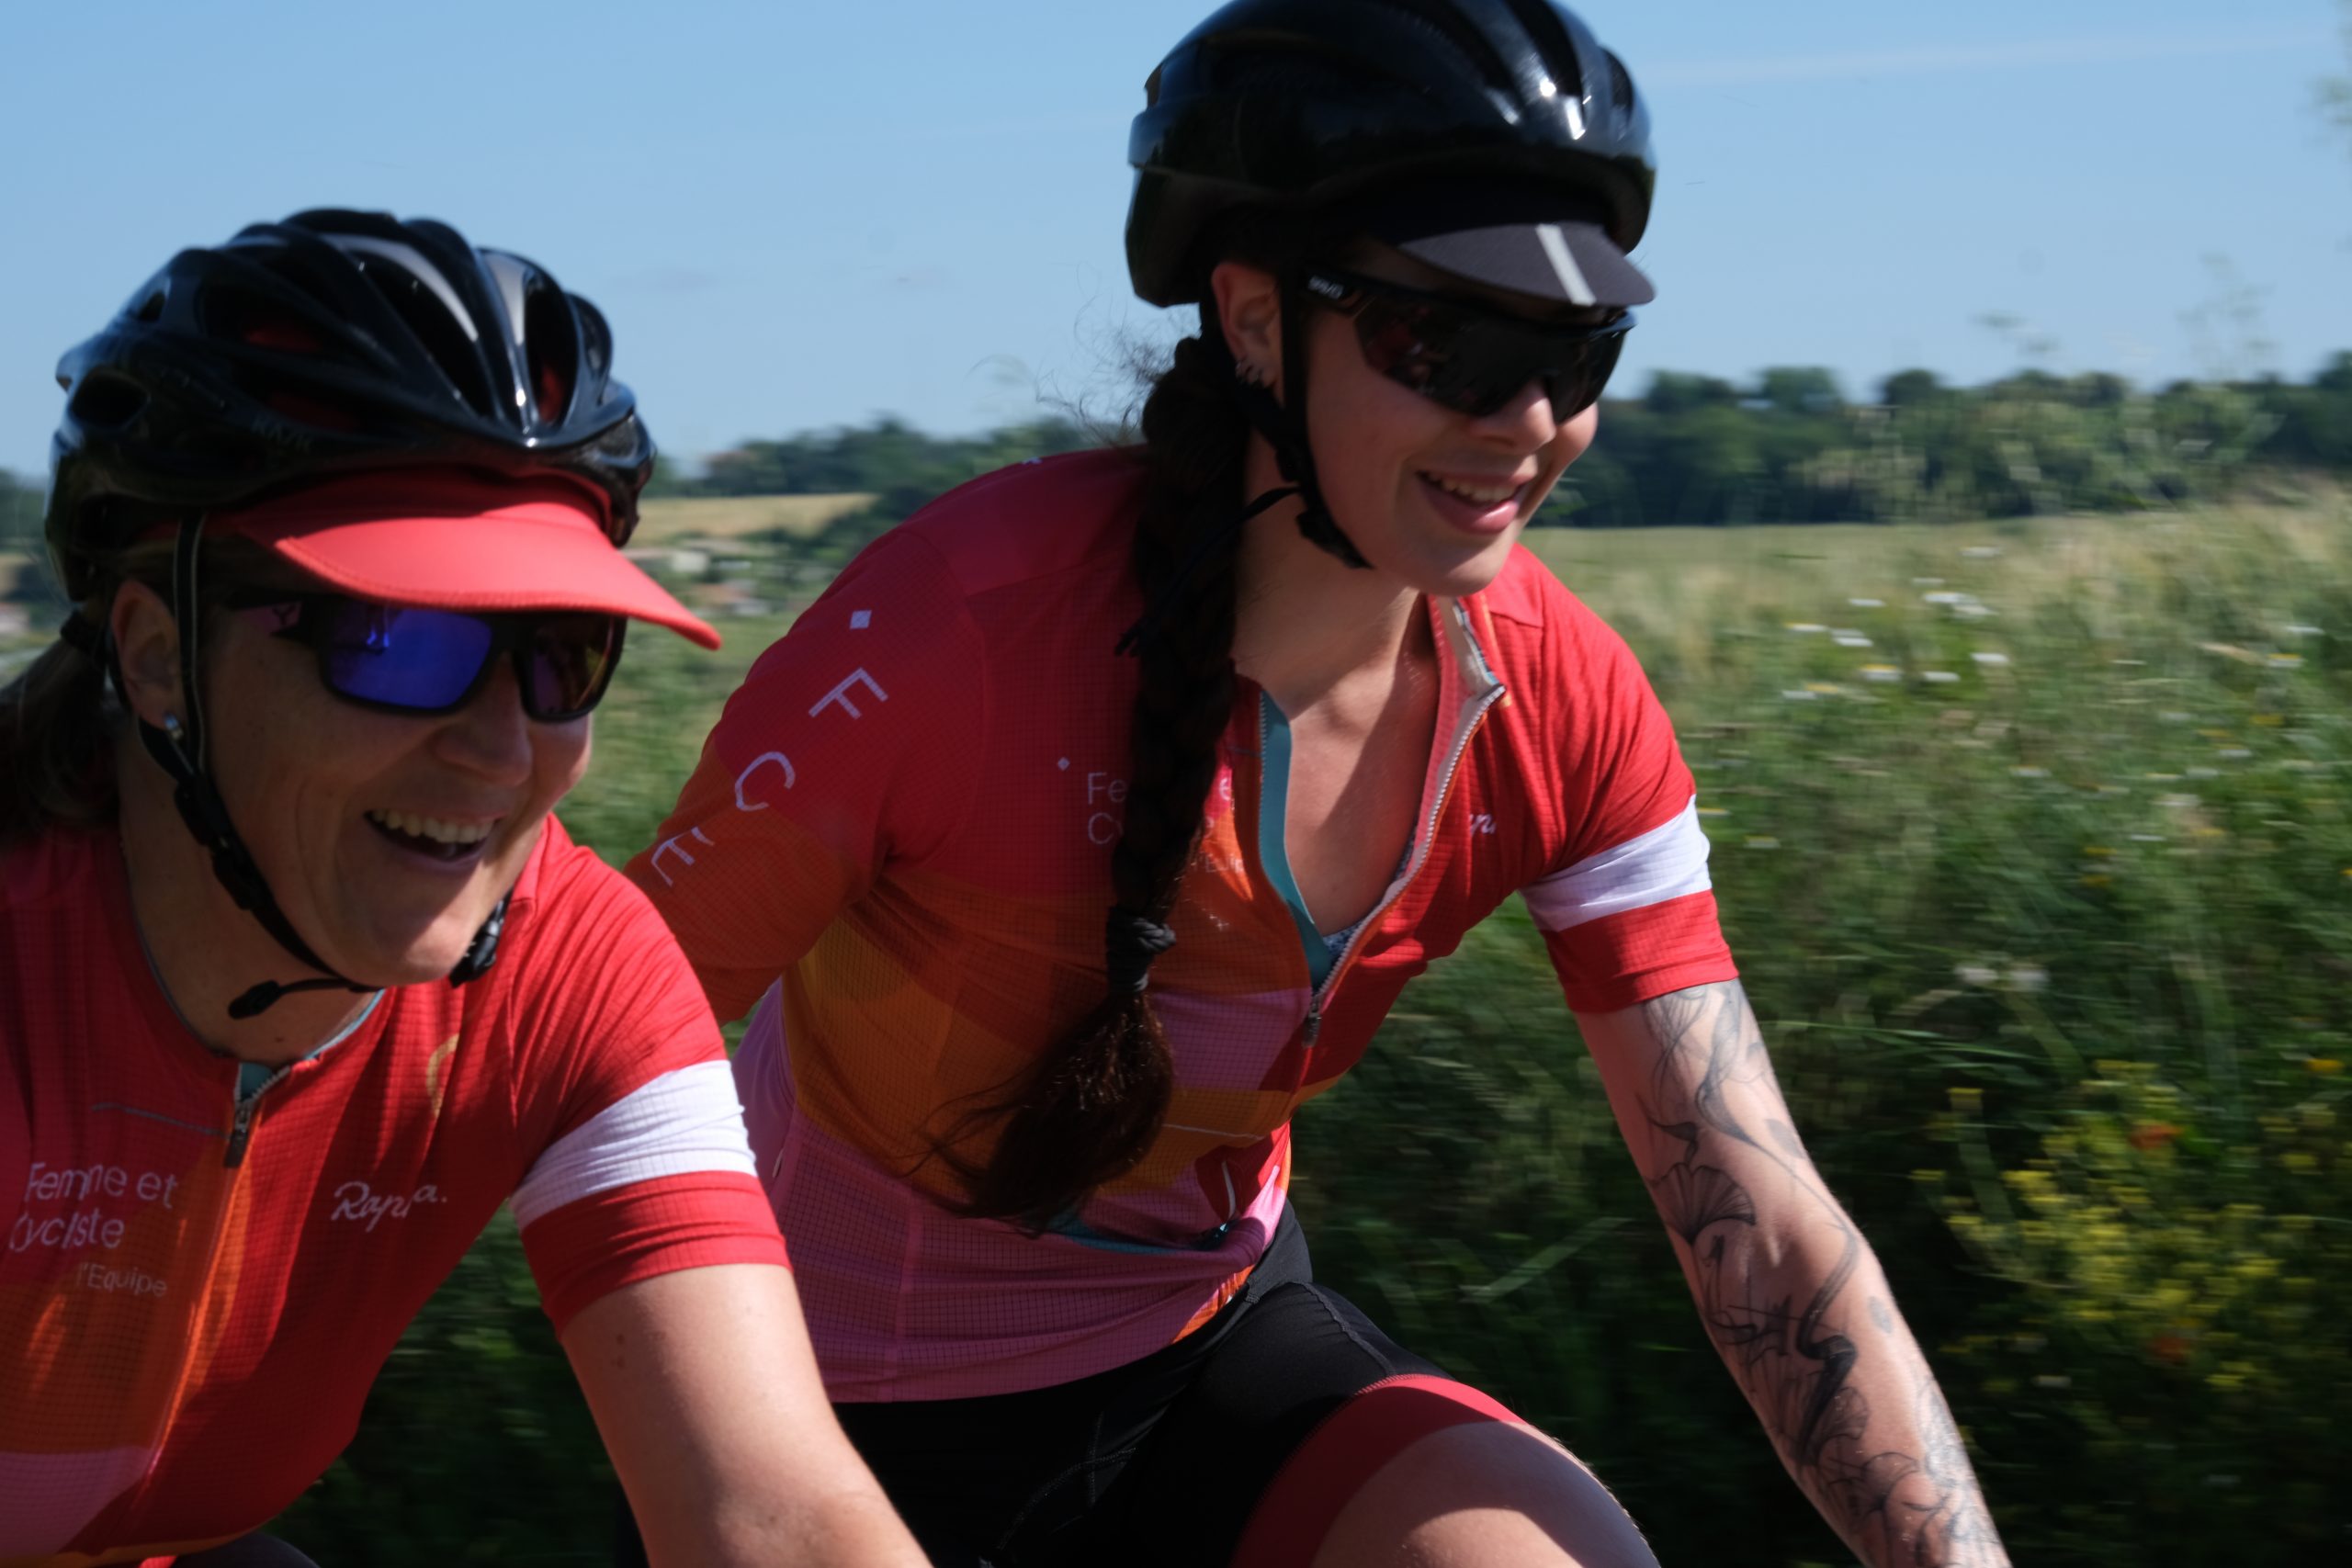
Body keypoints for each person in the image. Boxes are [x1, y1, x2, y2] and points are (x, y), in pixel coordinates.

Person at [628, 4, 2015, 1565]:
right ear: (1253, 317)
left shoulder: (1558, 699)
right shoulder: (955, 634)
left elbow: (1756, 1223)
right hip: (820, 1401)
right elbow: (586, 1075)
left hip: (1204, 1354)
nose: (1525, 421)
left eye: (1572, 353)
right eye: (1447, 345)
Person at [0, 211, 925, 1568]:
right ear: (155, 654)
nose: (501, 748)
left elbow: (772, 1513)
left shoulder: (572, 971)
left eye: (562, 650)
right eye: (396, 640)